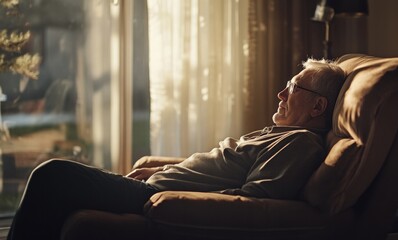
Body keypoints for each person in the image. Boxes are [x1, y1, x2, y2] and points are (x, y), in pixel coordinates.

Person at [7, 58, 346, 240]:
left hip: (157, 199)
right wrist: (161, 169)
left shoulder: (299, 143)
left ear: (317, 107)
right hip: (154, 187)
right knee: (55, 193)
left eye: (293, 88)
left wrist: (173, 191)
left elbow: (254, 200)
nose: (280, 95)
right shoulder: (280, 135)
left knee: (53, 176)